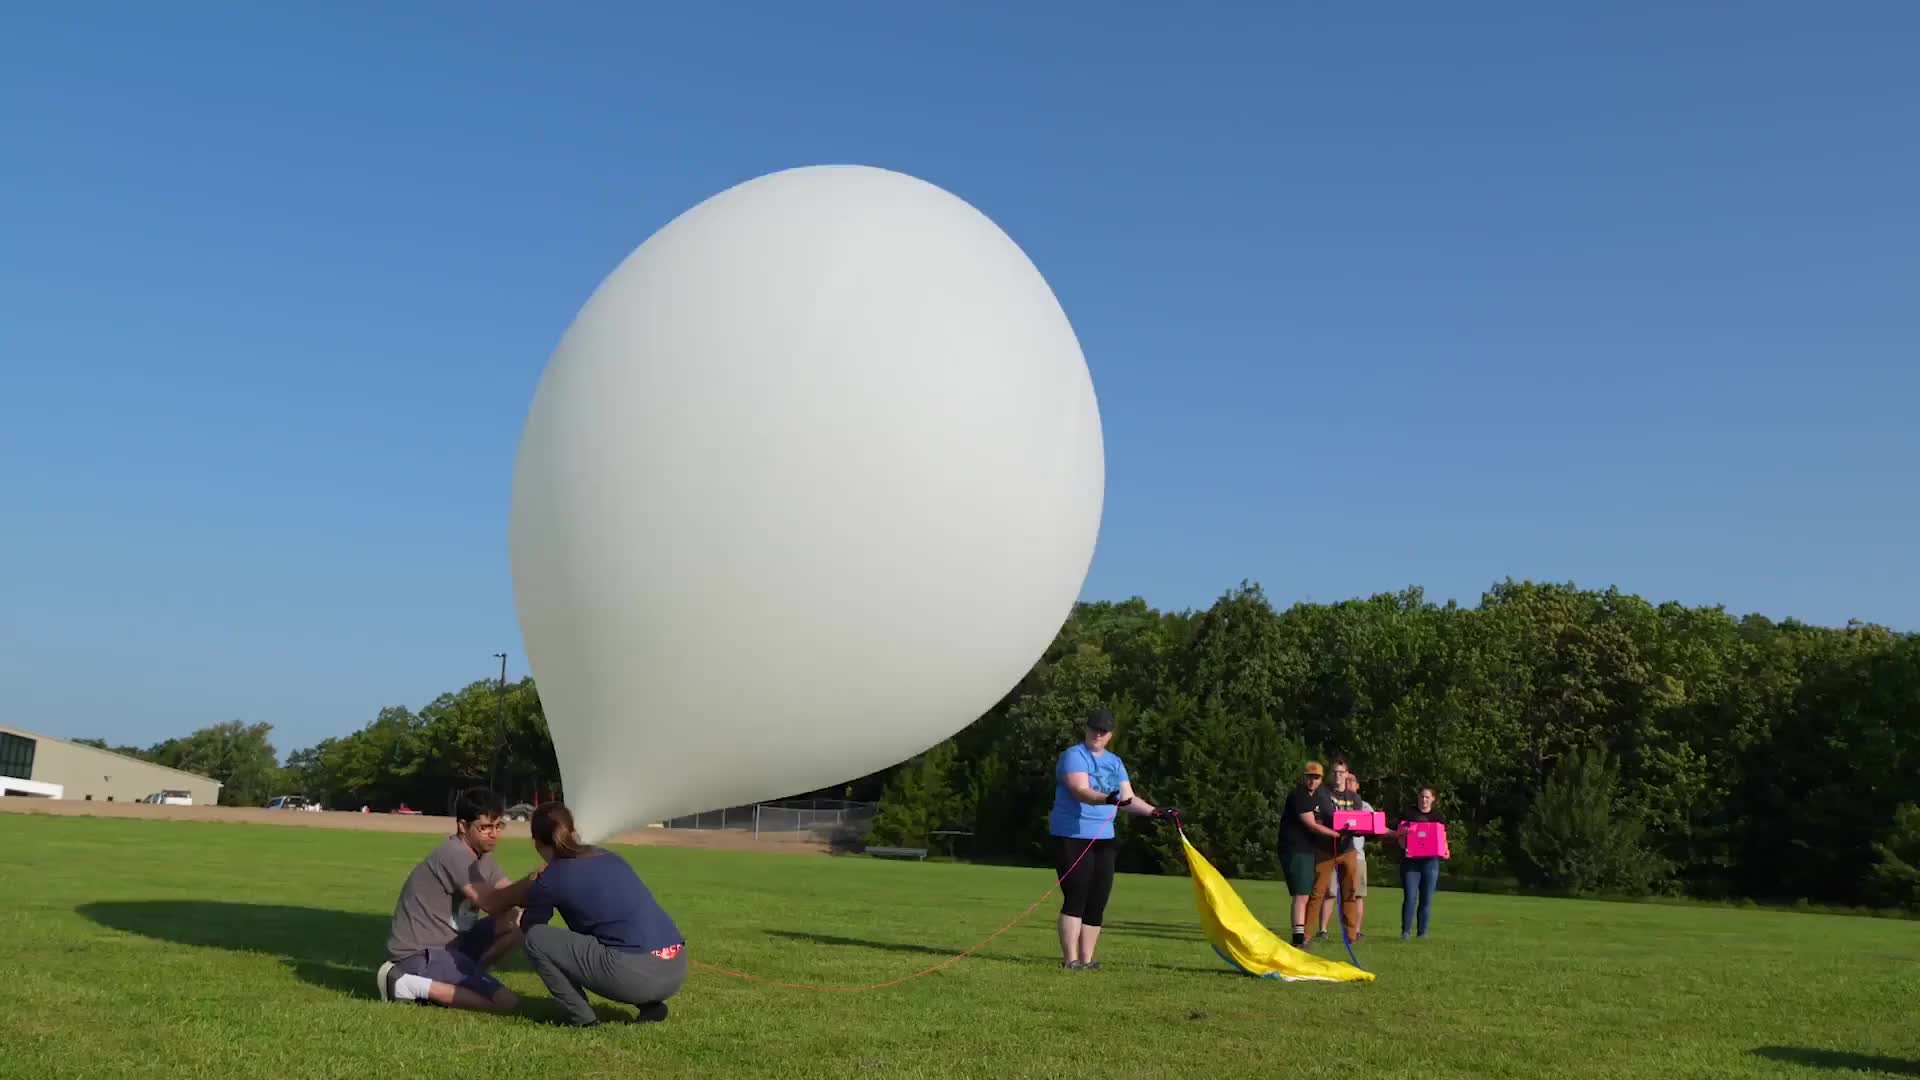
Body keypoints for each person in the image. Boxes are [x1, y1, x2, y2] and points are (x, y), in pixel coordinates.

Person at [464, 802, 688, 1027]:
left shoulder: (550, 878)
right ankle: (651, 1006)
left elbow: (531, 930)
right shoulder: (610, 857)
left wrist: (532, 892)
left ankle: (583, 1019)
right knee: (616, 936)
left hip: (637, 977)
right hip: (676, 967)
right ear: (573, 832)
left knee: (537, 939)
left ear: (537, 843)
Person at [376, 788, 523, 1012]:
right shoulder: (454, 853)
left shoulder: (483, 857)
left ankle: (469, 975)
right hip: (421, 954)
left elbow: (510, 894)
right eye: (484, 828)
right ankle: (403, 984)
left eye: (498, 826)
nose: (493, 834)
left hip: (454, 948)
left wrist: (549, 883)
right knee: (506, 1004)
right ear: (463, 826)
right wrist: (534, 880)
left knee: (519, 921)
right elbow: (491, 903)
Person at [1049, 708, 1173, 970]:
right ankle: (1070, 960)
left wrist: (1155, 811)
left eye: (1103, 731)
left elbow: (1128, 798)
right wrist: (1108, 798)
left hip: (1104, 837)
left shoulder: (1115, 763)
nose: (1098, 734)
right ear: (1087, 729)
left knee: (1098, 898)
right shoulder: (1074, 756)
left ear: (1110, 735)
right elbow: (1080, 790)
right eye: (1094, 729)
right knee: (1076, 894)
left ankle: (1087, 959)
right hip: (1072, 835)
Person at [1279, 760, 1344, 947]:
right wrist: (1336, 834)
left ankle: (1299, 936)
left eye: (1316, 778)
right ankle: (1298, 938)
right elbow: (1311, 824)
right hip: (1295, 848)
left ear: (1321, 779)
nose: (1312, 781)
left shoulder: (1316, 797)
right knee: (1301, 894)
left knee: (1305, 893)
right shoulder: (1300, 796)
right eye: (1310, 777)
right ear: (1304, 777)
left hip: (1307, 849)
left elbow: (1329, 816)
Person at [1308, 756, 1364, 945]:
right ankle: (1305, 935)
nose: (1338, 776)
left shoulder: (1354, 797)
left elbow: (1358, 821)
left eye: (1342, 772)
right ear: (1331, 775)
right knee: (1317, 892)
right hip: (1326, 850)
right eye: (1335, 772)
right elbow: (1328, 816)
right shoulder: (1323, 794)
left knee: (1349, 893)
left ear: (1347, 774)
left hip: (1347, 849)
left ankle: (1351, 935)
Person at [1394, 785, 1446, 940]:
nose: (1424, 800)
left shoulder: (1438, 817)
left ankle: (1422, 932)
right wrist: (1404, 833)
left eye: (1427, 797)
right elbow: (1399, 835)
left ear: (1433, 799)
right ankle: (1406, 931)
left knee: (1427, 898)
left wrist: (1445, 850)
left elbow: (1442, 837)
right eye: (1421, 797)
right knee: (1410, 897)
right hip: (1411, 862)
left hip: (1430, 862)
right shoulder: (1409, 813)